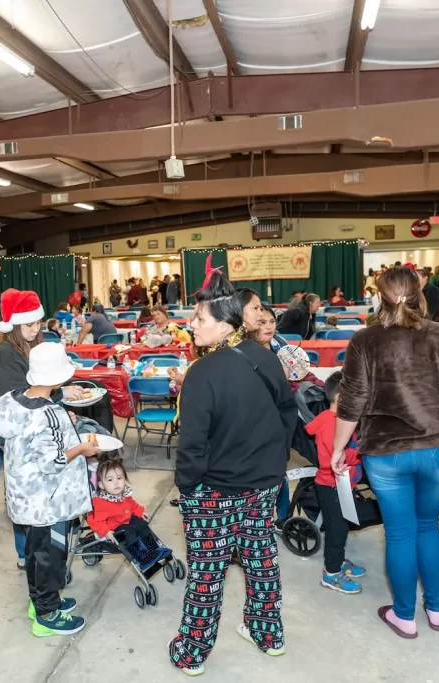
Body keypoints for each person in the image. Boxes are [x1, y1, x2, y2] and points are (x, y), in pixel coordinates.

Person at [332, 266, 439, 638]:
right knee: (428, 527)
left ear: (379, 295)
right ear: (419, 293)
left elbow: (352, 400)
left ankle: (404, 615)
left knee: (399, 533)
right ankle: (438, 610)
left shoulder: (365, 340)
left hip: (387, 451)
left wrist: (337, 447)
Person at [168, 269, 297, 675]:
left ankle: (191, 652)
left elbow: (191, 444)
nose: (192, 325)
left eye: (200, 319)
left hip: (214, 490)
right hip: (262, 483)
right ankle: (268, 633)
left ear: (224, 325)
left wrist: (187, 487)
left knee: (207, 571)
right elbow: (286, 413)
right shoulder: (263, 355)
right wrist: (273, 463)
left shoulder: (201, 373)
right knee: (260, 556)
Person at [0, 342, 100, 637]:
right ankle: (47, 615)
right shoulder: (48, 413)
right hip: (49, 501)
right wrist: (82, 448)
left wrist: (64, 424)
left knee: (36, 554)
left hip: (26, 497)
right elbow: (53, 461)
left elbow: (30, 437)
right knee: (50, 556)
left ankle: (40, 601)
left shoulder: (11, 400)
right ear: (59, 378)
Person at [0, 290, 85, 567]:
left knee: (36, 496)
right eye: (28, 324)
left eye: (37, 323)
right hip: (22, 436)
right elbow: (20, 399)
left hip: (33, 431)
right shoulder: (6, 353)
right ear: (13, 326)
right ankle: (27, 556)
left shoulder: (24, 347)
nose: (35, 329)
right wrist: (61, 396)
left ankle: (36, 556)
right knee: (27, 497)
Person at [305, 371, 365, 594]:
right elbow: (338, 455)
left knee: (342, 527)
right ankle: (331, 574)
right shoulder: (332, 425)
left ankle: (338, 561)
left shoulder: (337, 421)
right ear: (341, 397)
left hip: (340, 484)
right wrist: (362, 453)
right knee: (336, 530)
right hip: (332, 485)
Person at [86, 457, 147, 545]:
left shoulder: (124, 494)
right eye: (110, 480)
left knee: (142, 525)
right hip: (114, 528)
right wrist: (106, 532)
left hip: (126, 521)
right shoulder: (101, 502)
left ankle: (152, 547)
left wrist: (140, 511)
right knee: (129, 532)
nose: (116, 483)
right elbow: (95, 520)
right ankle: (137, 552)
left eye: (119, 478)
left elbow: (132, 505)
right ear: (101, 485)